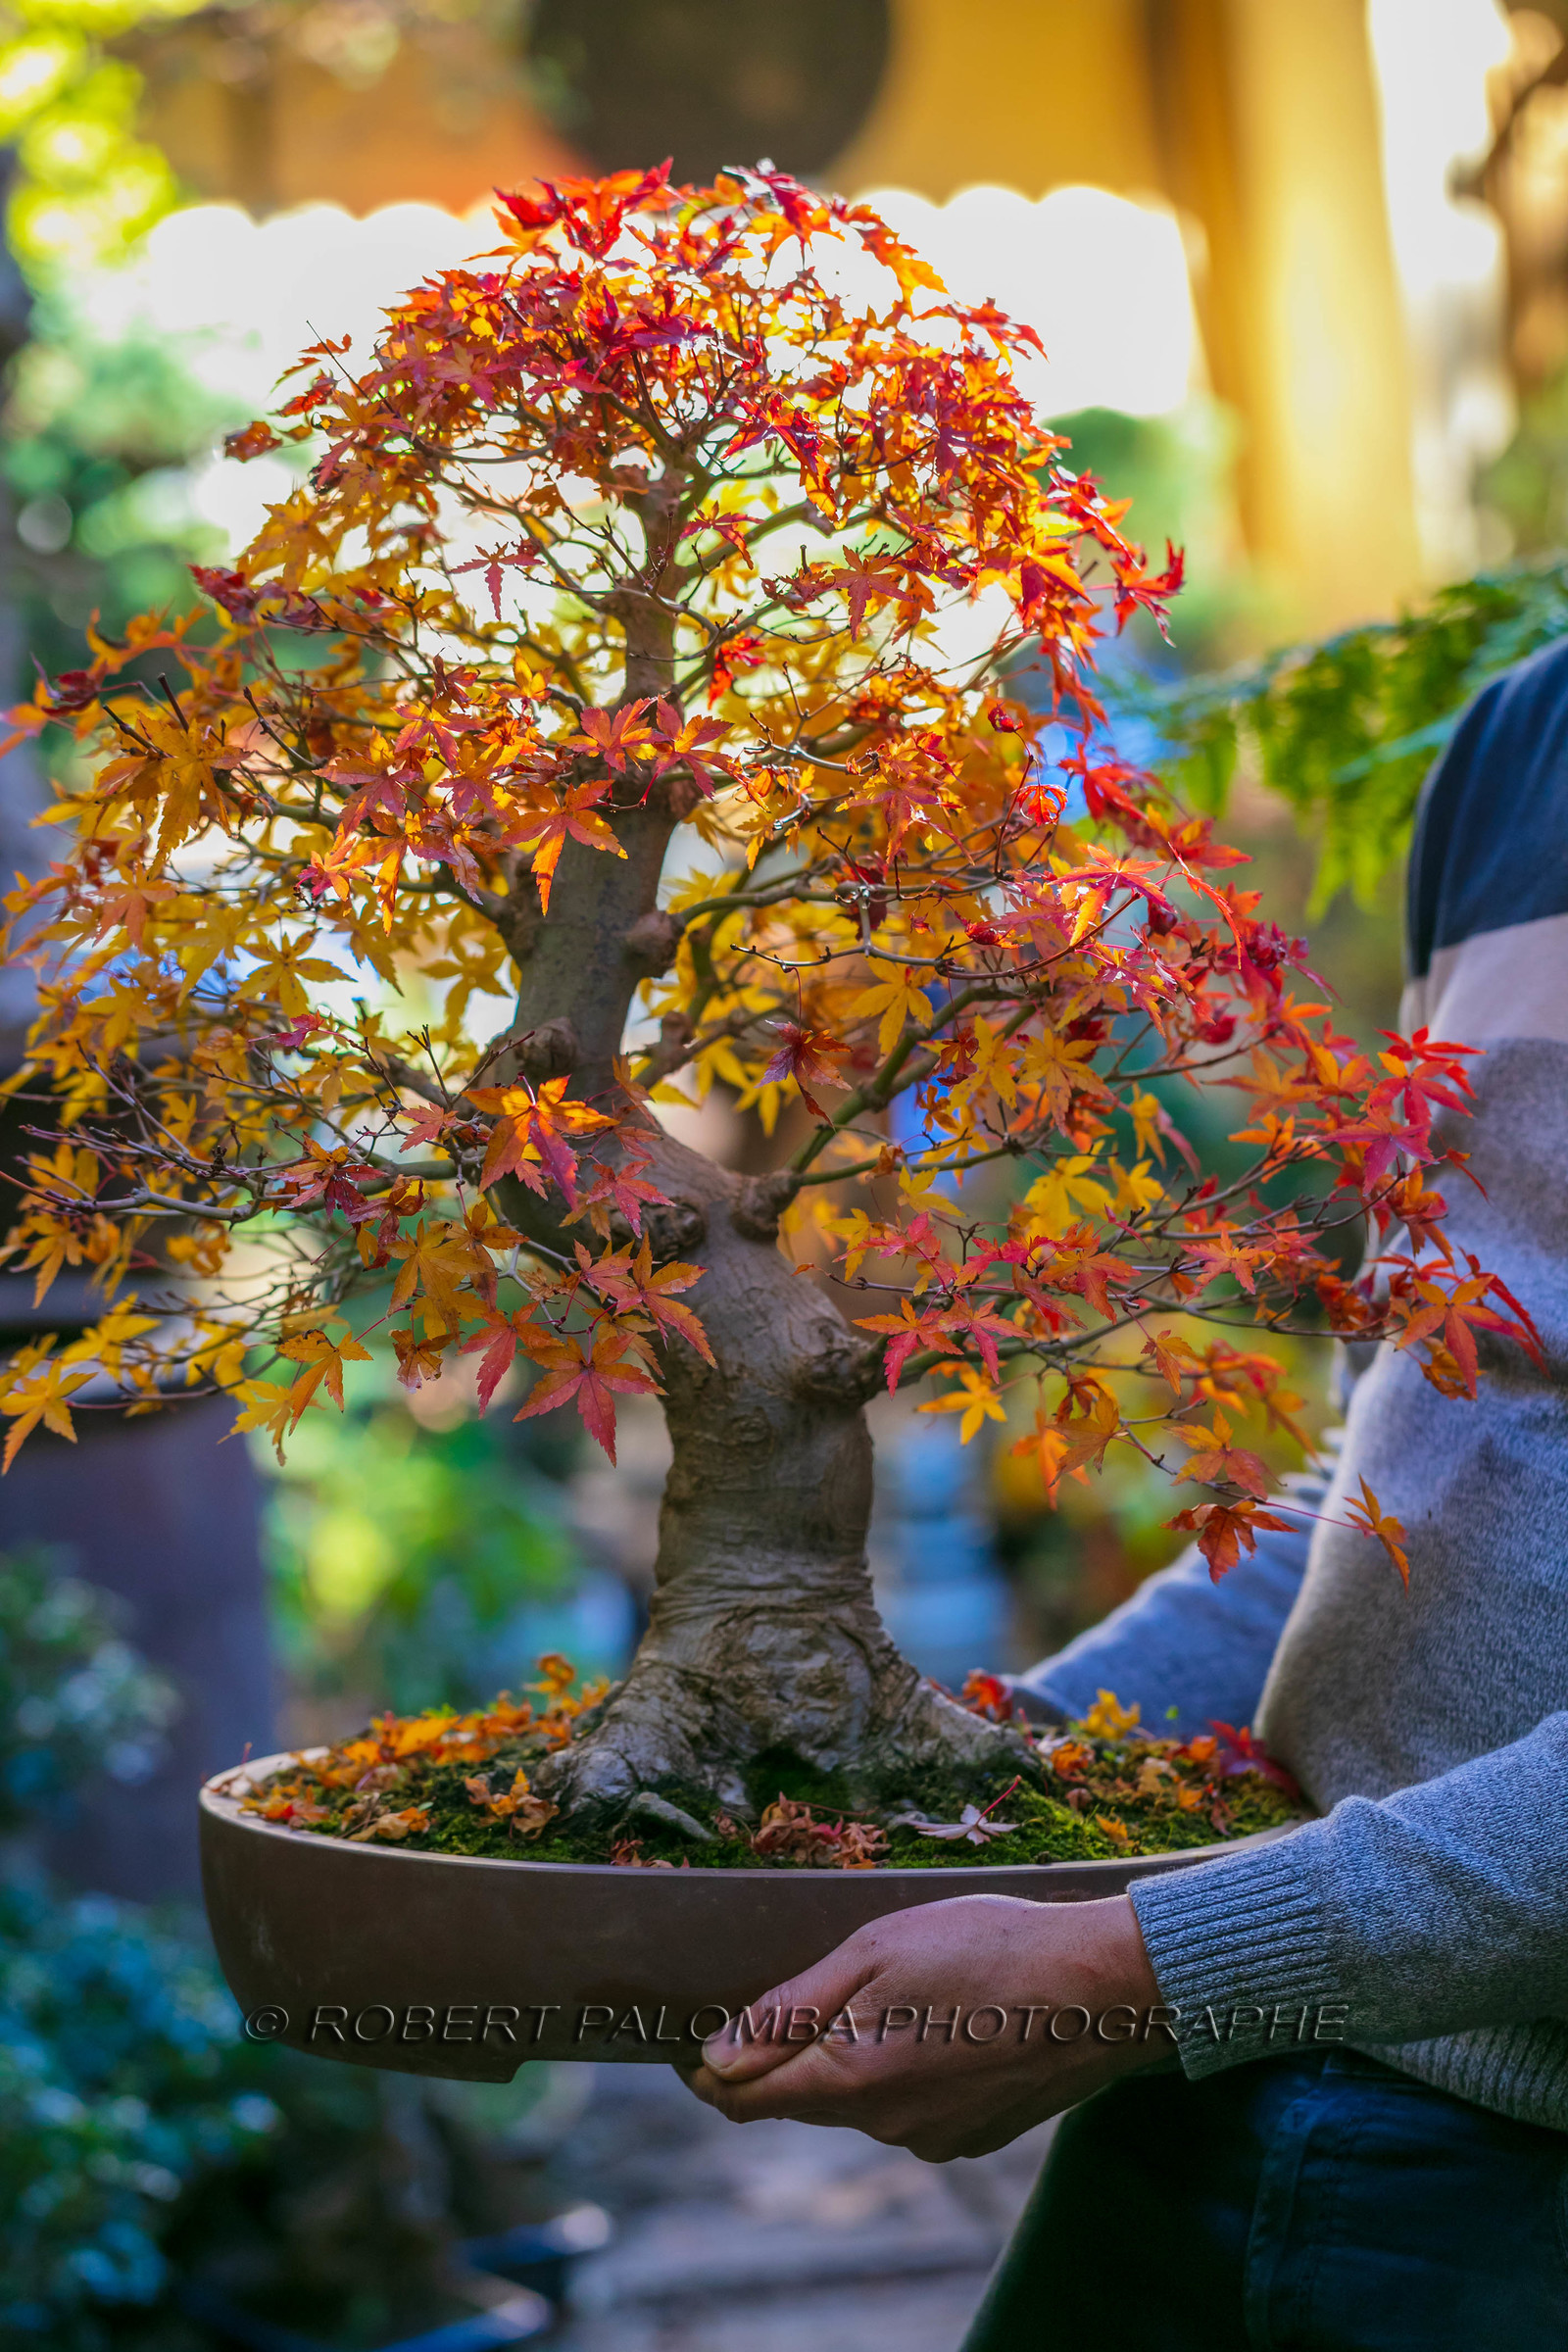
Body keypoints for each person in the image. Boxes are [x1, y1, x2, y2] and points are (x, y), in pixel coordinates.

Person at [685, 640, 1568, 2347]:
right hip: (1237, 2047)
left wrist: (1133, 1968)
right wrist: (978, 1765)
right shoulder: (1523, 746)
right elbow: (1398, 1475)